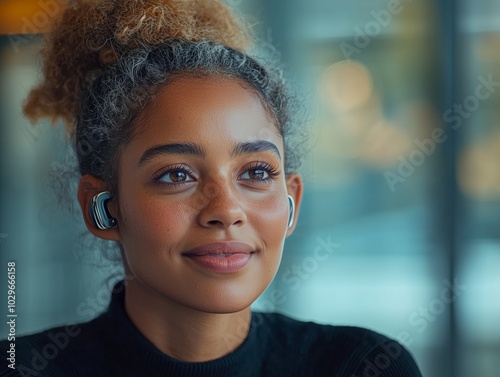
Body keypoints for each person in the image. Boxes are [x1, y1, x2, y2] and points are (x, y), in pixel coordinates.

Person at [1, 1, 423, 376]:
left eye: (256, 172)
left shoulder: (363, 365)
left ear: (291, 198)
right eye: (177, 175)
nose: (226, 209)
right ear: (104, 207)